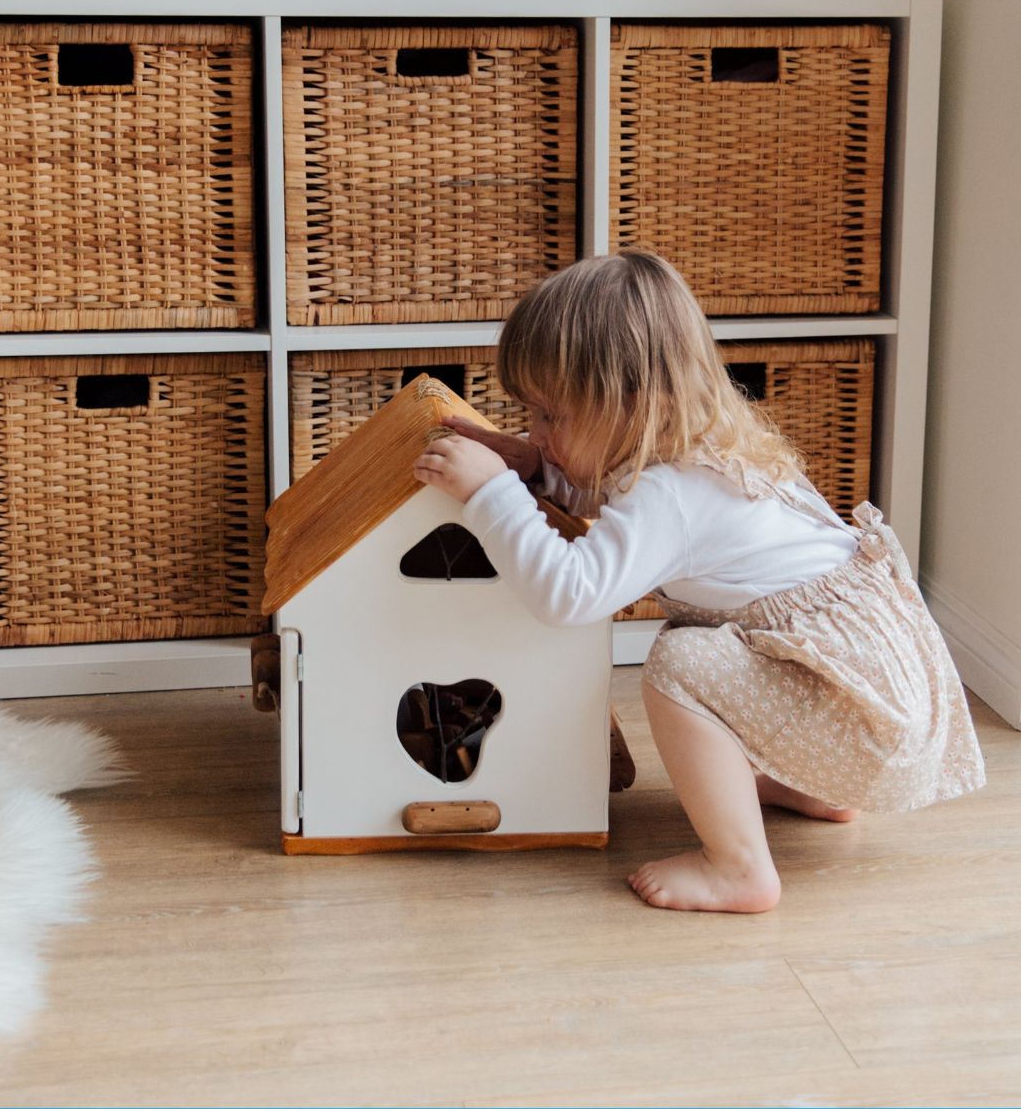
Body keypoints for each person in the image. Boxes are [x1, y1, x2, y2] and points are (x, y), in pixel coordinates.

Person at [414, 250, 986, 914]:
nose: (535, 432)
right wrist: (541, 474)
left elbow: (568, 594)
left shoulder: (672, 494)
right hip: (872, 706)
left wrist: (493, 496)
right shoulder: (707, 441)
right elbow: (620, 496)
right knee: (709, 646)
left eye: (550, 416)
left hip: (864, 728)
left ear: (635, 403)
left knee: (681, 659)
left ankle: (740, 869)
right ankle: (818, 788)